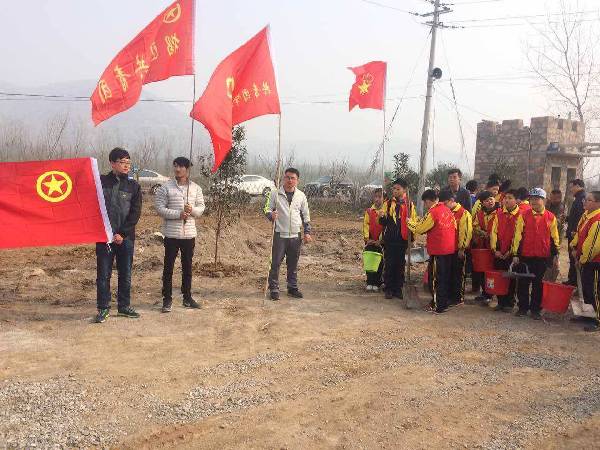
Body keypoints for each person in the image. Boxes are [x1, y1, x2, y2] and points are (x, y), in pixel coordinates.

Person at [95, 147, 142, 323]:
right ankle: (103, 308)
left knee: (125, 273)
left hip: (126, 239)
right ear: (112, 163)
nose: (126, 165)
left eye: (128, 162)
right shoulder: (100, 182)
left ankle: (124, 307)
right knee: (103, 274)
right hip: (104, 237)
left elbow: (135, 213)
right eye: (122, 162)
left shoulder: (133, 186)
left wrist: (122, 233)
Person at [154, 157, 205, 313]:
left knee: (187, 268)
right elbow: (159, 208)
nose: (177, 169)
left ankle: (187, 297)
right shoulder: (166, 187)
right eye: (175, 166)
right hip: (171, 234)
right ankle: (167, 299)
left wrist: (192, 210)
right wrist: (178, 214)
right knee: (168, 268)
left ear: (187, 169)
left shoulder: (196, 188)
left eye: (181, 166)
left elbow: (201, 208)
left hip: (189, 234)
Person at [511, 188, 560, 320]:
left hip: (543, 257)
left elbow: (554, 238)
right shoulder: (523, 215)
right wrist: (515, 254)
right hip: (525, 256)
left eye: (537, 199)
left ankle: (535, 310)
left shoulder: (551, 217)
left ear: (544, 200)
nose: (533, 201)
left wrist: (555, 255)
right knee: (523, 283)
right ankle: (522, 308)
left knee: (539, 285)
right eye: (531, 199)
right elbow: (518, 236)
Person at [264, 168, 312, 301]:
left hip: (295, 236)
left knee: (293, 263)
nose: (290, 180)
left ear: (297, 180)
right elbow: (266, 208)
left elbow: (306, 215)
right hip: (280, 234)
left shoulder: (301, 196)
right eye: (287, 177)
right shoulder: (275, 194)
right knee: (275, 263)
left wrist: (307, 232)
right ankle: (274, 288)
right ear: (283, 178)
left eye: (293, 178)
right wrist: (271, 215)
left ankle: (292, 287)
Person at [408, 189, 457, 313]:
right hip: (449, 249)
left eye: (425, 203)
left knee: (435, 279)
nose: (425, 205)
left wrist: (410, 223)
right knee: (445, 277)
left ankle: (438, 305)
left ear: (428, 201)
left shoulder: (433, 212)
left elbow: (421, 228)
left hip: (438, 250)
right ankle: (443, 302)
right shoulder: (448, 210)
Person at [378, 178, 417, 300]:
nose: (395, 191)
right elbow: (383, 222)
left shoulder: (409, 205)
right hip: (390, 239)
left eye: (398, 189)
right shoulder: (388, 203)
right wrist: (382, 217)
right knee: (389, 264)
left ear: (404, 190)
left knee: (400, 264)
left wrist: (412, 239)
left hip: (402, 239)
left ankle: (398, 288)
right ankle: (389, 288)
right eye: (393, 188)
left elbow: (413, 223)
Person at [573, 191, 600, 332]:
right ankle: (589, 315)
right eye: (586, 199)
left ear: (598, 203)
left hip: (595, 262)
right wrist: (573, 247)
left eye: (589, 200)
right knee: (586, 289)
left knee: (595, 291)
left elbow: (593, 245)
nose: (585, 202)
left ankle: (597, 320)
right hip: (586, 260)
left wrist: (582, 259)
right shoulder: (586, 216)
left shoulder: (597, 219)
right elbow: (579, 234)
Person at [440, 190, 472, 306]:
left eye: (445, 204)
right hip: (448, 249)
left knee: (458, 274)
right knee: (449, 273)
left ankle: (458, 297)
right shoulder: (446, 212)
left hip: (459, 250)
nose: (444, 206)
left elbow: (466, 232)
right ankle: (449, 296)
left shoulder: (463, 213)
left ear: (452, 201)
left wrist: (462, 248)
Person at [490, 189, 520, 312]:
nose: (506, 200)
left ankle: (509, 303)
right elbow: (494, 232)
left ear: (516, 200)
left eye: (510, 198)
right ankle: (500, 302)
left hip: (511, 253)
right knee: (499, 277)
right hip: (499, 251)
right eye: (505, 198)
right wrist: (495, 249)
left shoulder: (521, 215)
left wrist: (511, 251)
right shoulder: (499, 213)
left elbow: (518, 235)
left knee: (511, 278)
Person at [471, 190, 498, 304]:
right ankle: (485, 293)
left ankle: (493, 293)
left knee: (493, 270)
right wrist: (482, 233)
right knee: (483, 271)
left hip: (496, 247)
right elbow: (475, 226)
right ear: (482, 203)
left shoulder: (500, 212)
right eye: (486, 200)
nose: (490, 202)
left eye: (491, 199)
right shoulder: (480, 214)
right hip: (483, 247)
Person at [565, 179, 586, 286]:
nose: (571, 189)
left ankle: (574, 281)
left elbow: (582, 217)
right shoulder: (578, 198)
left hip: (575, 234)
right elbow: (575, 216)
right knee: (572, 257)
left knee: (574, 258)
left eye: (572, 187)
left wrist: (576, 231)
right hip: (573, 233)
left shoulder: (582, 199)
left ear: (577, 186)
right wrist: (567, 218)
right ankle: (572, 279)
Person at [362, 188, 385, 292]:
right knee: (369, 261)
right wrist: (368, 239)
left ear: (384, 199)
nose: (377, 199)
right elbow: (366, 225)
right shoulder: (369, 211)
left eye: (380, 197)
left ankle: (377, 281)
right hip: (371, 241)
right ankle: (369, 281)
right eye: (375, 197)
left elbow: (385, 227)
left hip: (380, 242)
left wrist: (381, 240)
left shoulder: (385, 212)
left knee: (379, 262)